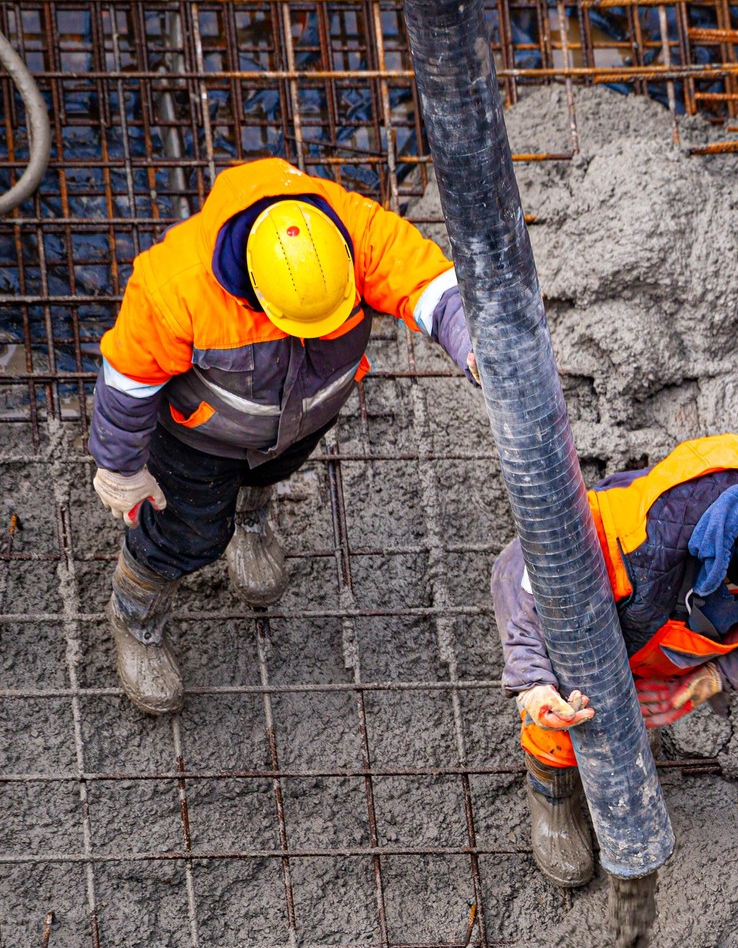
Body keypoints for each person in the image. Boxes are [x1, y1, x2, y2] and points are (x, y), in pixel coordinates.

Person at [90, 157, 475, 713]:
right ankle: (136, 617)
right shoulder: (175, 285)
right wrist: (123, 468)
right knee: (186, 532)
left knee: (273, 471)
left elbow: (434, 288)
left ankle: (250, 520)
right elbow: (126, 386)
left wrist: (474, 343)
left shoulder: (353, 230)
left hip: (299, 422)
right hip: (198, 438)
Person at [490, 434, 738, 887]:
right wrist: (533, 682)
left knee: (654, 673)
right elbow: (522, 574)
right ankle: (553, 789)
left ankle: (635, 700)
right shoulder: (637, 537)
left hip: (666, 605)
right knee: (570, 695)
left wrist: (718, 674)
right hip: (624, 574)